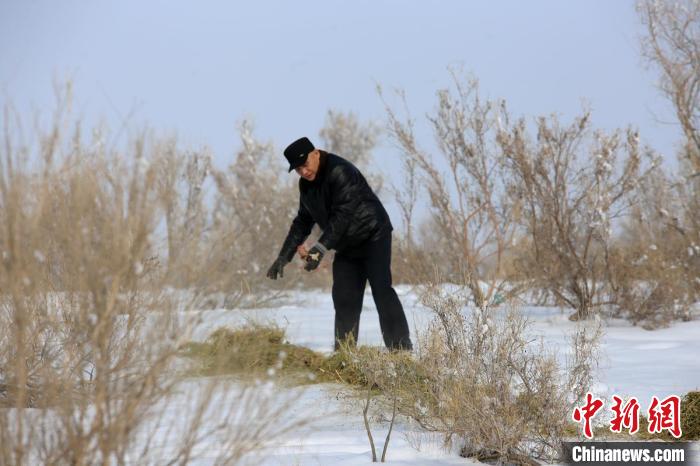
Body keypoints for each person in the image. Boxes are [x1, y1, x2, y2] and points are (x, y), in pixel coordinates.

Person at [266, 136, 413, 351]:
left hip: (373, 235)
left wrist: (319, 250)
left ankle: (401, 350)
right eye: (298, 170)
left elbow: (342, 216)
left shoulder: (339, 171)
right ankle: (345, 353)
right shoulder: (306, 186)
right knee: (344, 297)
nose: (303, 172)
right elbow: (302, 222)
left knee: (382, 291)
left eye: (304, 165)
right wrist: (283, 257)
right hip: (346, 244)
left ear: (315, 154)